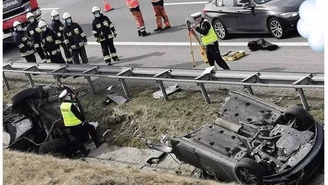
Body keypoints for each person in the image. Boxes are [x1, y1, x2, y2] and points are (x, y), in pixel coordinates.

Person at [59, 89, 102, 157]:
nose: (70, 96)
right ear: (67, 97)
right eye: (69, 95)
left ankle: (84, 152)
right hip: (78, 124)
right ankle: (97, 143)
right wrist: (83, 120)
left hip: (70, 125)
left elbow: (62, 117)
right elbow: (78, 115)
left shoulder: (62, 106)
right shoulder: (71, 105)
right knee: (91, 128)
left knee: (78, 139)